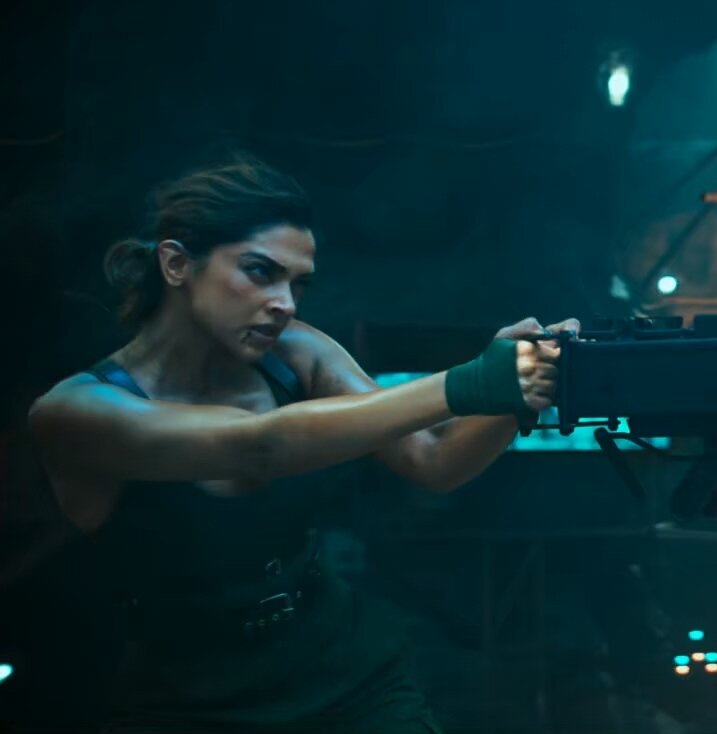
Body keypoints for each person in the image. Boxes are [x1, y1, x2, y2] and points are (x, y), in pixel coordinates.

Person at [26, 155, 577, 732]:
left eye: (296, 284)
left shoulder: (296, 352)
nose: (285, 303)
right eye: (259, 272)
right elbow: (258, 445)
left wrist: (523, 386)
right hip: (184, 701)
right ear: (176, 263)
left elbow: (434, 460)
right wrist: (474, 381)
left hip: (342, 674)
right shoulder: (76, 411)